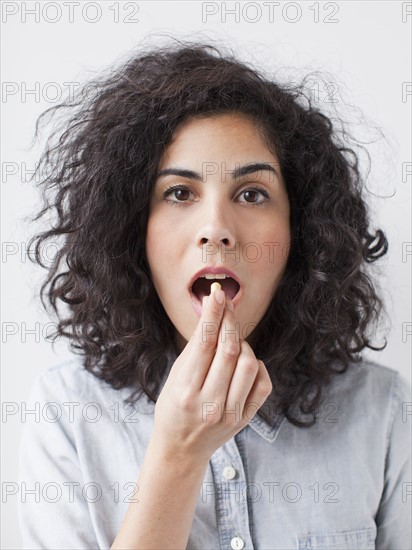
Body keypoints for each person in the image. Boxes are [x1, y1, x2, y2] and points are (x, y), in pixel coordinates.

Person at [18, 39, 411, 549]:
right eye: (179, 193)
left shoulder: (382, 410)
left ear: (302, 232)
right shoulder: (67, 412)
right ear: (133, 230)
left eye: (252, 194)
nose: (216, 229)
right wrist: (178, 454)